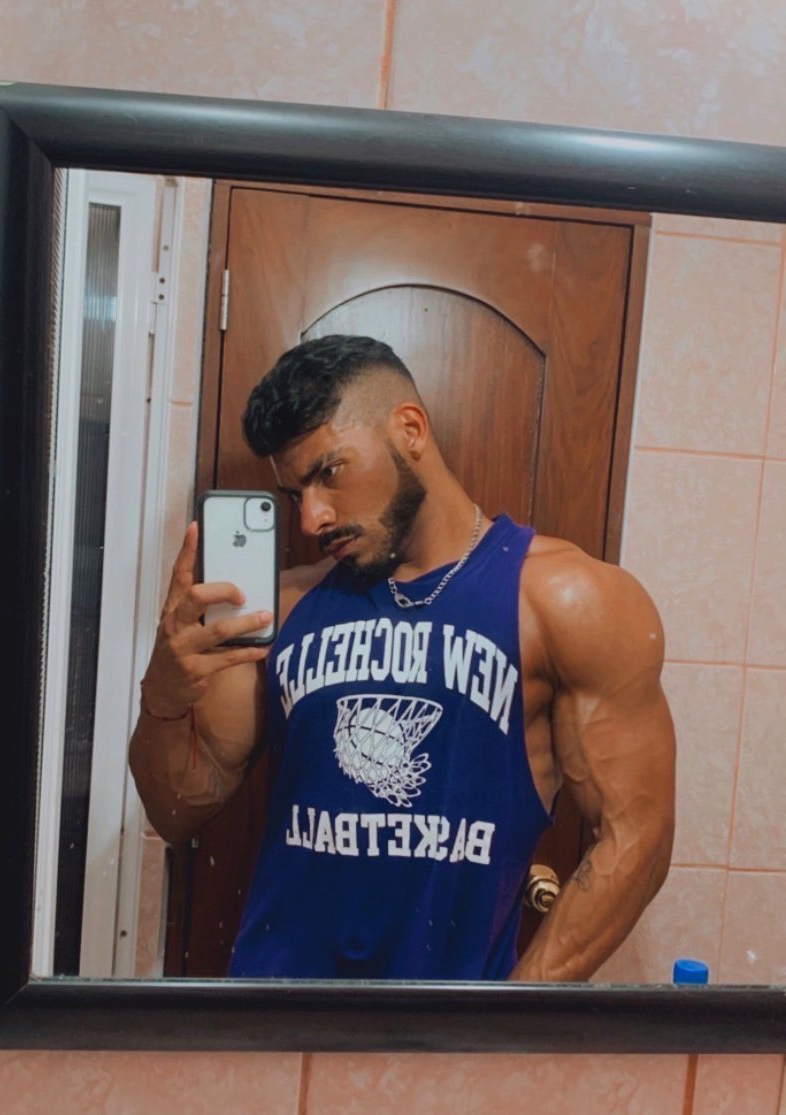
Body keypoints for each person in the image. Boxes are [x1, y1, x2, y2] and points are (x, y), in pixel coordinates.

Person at [129, 334, 675, 981]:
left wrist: (509, 1016)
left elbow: (638, 835)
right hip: (272, 1010)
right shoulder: (280, 611)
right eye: (296, 492)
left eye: (329, 472)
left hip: (449, 1027)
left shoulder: (565, 600)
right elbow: (175, 811)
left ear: (409, 429)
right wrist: (163, 696)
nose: (312, 518)